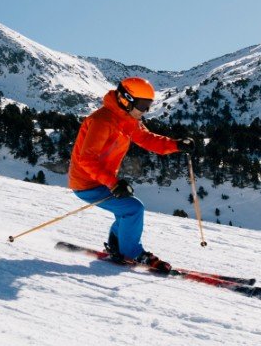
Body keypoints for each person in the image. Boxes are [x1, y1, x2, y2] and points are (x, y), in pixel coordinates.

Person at [67, 76, 192, 271]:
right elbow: (86, 159)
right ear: (126, 99)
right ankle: (131, 252)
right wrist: (113, 182)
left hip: (102, 180)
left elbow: (147, 139)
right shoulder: (102, 121)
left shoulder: (127, 120)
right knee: (133, 208)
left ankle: (117, 245)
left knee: (126, 208)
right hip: (87, 182)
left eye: (148, 105)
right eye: (142, 105)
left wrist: (176, 145)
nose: (145, 111)